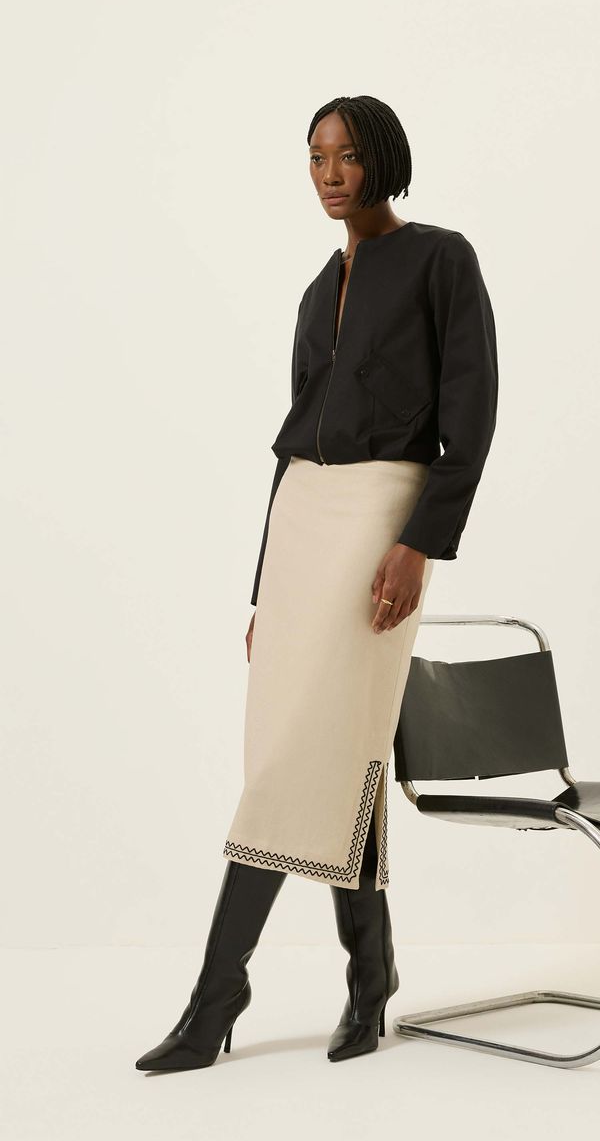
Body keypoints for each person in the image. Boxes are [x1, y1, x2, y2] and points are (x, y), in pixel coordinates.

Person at [135, 95, 499, 1073]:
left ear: (382, 157)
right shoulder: (313, 291)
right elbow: (291, 438)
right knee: (319, 754)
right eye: (314, 158)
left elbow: (472, 411)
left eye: (345, 155)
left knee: (300, 757)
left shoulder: (441, 259)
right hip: (302, 518)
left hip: (383, 508)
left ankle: (218, 993)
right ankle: (370, 976)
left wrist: (420, 541)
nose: (329, 174)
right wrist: (267, 591)